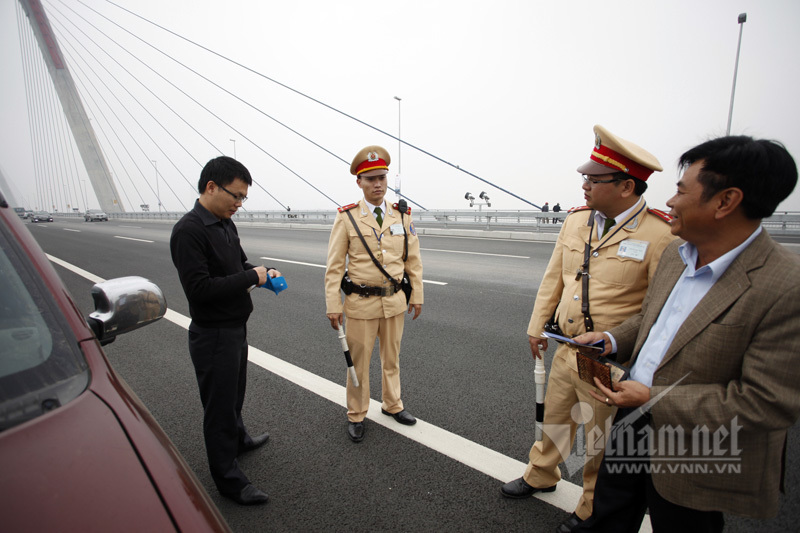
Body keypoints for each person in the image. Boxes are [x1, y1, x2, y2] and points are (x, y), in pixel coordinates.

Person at [571, 135, 800, 532]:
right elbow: (652, 320)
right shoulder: (680, 255)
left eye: (680, 190)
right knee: (609, 513)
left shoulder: (785, 286)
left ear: (725, 202)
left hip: (695, 445)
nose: (671, 202)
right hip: (631, 415)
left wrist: (653, 397)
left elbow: (767, 403)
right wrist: (611, 340)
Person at [500, 125, 676, 533]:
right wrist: (536, 327)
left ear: (627, 186)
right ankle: (541, 473)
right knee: (555, 419)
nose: (584, 186)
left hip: (607, 359)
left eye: (594, 181)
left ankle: (590, 507)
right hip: (565, 347)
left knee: (599, 441)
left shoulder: (660, 234)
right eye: (585, 178)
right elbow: (554, 279)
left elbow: (658, 308)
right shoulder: (577, 221)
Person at [170, 156, 281, 505]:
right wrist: (252, 277)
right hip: (213, 334)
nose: (239, 204)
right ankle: (229, 481)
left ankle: (239, 439)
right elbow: (200, 289)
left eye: (243, 198)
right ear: (211, 187)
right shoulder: (189, 231)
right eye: (236, 196)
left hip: (235, 328)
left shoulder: (224, 223)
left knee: (234, 395)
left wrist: (262, 272)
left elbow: (238, 265)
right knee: (217, 409)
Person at [324, 145, 424, 443]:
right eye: (370, 179)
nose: (377, 184)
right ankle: (356, 413)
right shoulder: (347, 218)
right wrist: (333, 304)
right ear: (360, 183)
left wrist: (416, 295)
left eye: (381, 177)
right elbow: (334, 267)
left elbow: (413, 261)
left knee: (392, 359)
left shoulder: (402, 216)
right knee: (359, 362)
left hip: (394, 301)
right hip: (360, 304)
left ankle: (393, 405)